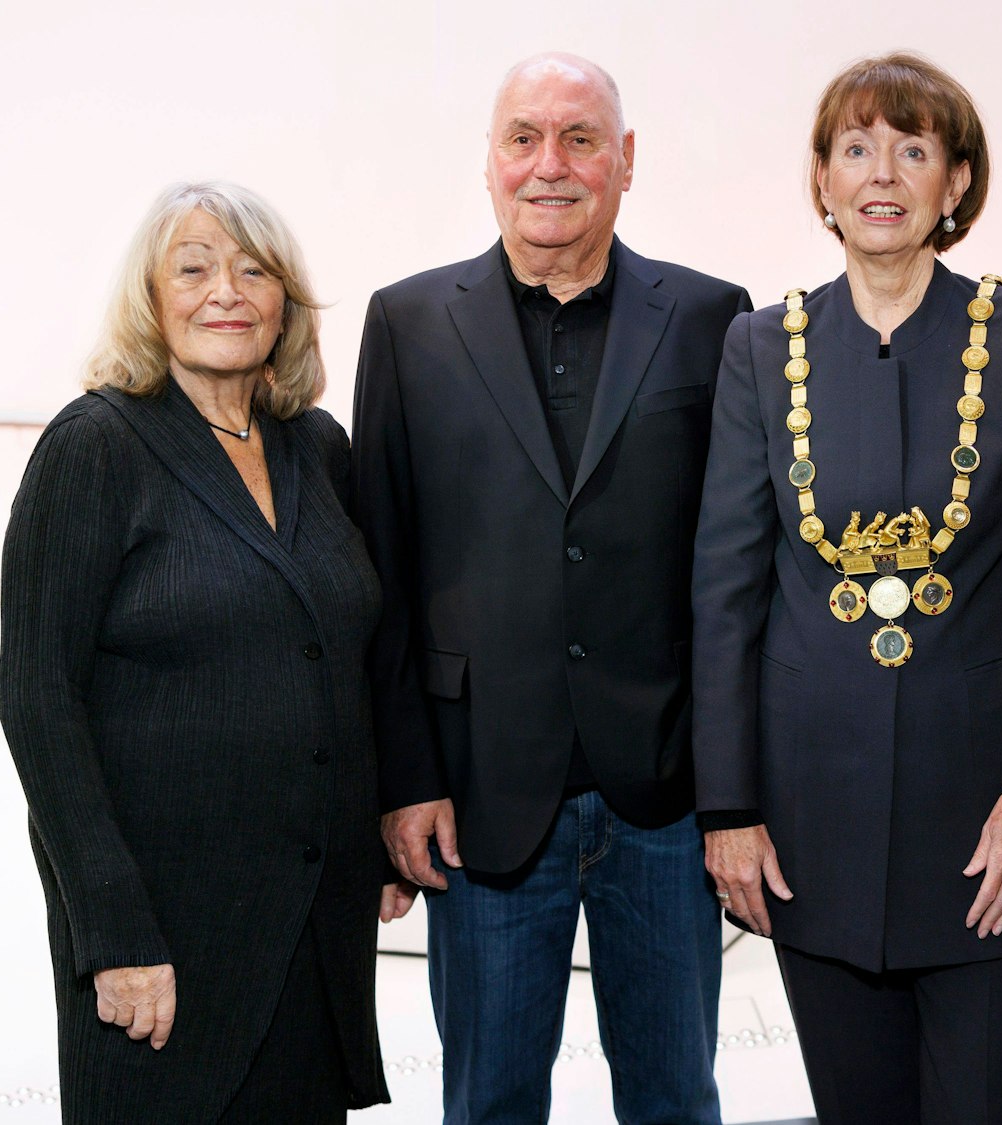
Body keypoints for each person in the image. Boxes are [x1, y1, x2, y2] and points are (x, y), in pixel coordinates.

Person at [691, 52, 1002, 1123]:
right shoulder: (757, 346)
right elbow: (724, 592)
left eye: (913, 150)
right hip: (807, 827)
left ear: (954, 183)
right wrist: (728, 806)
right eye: (856, 148)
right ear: (821, 179)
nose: (882, 174)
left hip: (985, 834)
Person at [349, 52, 751, 1124]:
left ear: (625, 163)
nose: (549, 165)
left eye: (580, 140)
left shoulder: (715, 319)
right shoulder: (406, 323)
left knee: (676, 1097)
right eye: (523, 137)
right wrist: (402, 779)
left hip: (662, 800)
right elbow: (378, 578)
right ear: (488, 163)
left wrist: (737, 792)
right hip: (478, 799)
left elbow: (734, 573)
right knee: (487, 1103)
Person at [0, 182, 398, 1122]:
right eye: (195, 267)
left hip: (308, 922)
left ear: (285, 302)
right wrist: (115, 931)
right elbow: (38, 698)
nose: (227, 290)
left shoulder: (316, 447)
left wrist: (373, 830)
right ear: (151, 296)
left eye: (253, 269)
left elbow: (341, 653)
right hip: (163, 933)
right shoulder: (93, 446)